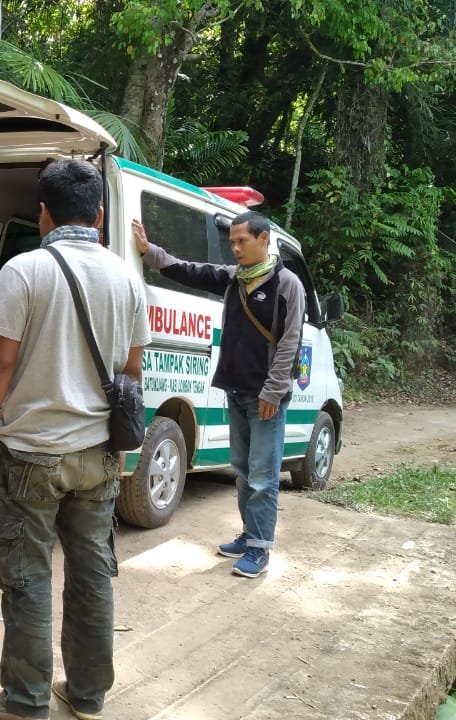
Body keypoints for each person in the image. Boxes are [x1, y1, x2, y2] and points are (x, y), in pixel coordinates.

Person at [0, 159, 149, 720]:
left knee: (26, 576)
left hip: (32, 456)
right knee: (93, 574)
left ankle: (24, 702)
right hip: (99, 458)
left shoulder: (25, 271)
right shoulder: (127, 278)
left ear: (42, 213)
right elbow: (132, 374)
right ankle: (88, 695)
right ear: (97, 214)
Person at [133, 211, 305, 578]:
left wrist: (273, 392)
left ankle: (260, 549)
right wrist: (150, 252)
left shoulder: (287, 284)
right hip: (236, 389)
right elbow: (189, 271)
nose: (236, 248)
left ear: (264, 239)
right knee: (243, 471)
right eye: (233, 242)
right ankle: (248, 536)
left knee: (263, 475)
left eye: (243, 241)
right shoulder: (234, 279)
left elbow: (291, 342)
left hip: (267, 397)